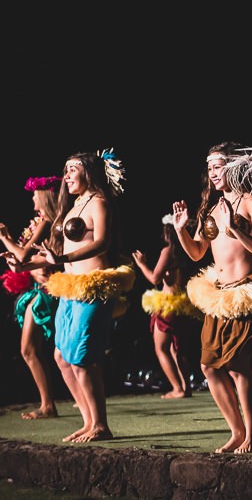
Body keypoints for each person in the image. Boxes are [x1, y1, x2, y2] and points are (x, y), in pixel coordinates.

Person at [6, 150, 134, 443]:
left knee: (81, 358)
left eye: (72, 170)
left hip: (94, 287)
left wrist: (62, 258)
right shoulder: (74, 206)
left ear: (88, 172)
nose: (66, 176)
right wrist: (23, 265)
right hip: (69, 287)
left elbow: (101, 243)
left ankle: (101, 424)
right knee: (61, 356)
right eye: (65, 170)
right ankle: (89, 422)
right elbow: (55, 257)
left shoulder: (99, 203)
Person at [172, 142, 252, 454]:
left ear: (237, 167)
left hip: (247, 291)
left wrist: (236, 229)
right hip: (218, 295)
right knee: (209, 366)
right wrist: (182, 230)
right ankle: (236, 432)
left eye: (218, 165)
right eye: (209, 167)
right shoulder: (210, 210)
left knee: (238, 365)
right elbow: (197, 253)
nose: (212, 173)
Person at [0, 175, 62, 419]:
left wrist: (4, 237)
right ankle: (48, 403)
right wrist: (18, 264)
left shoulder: (48, 221)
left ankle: (49, 405)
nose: (33, 199)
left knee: (33, 349)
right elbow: (25, 261)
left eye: (35, 194)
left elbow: (25, 254)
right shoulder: (46, 221)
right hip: (39, 290)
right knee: (32, 349)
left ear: (44, 195)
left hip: (48, 291)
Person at [132, 213, 202, 399]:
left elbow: (155, 278)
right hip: (183, 303)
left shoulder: (168, 251)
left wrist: (141, 265)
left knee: (161, 348)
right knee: (178, 349)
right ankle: (185, 387)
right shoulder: (188, 251)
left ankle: (177, 388)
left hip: (167, 304)